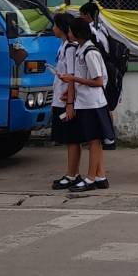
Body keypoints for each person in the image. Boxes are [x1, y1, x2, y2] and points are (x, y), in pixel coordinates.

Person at [56, 16, 113, 193]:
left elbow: (98, 81)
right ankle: (100, 177)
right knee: (92, 140)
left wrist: (73, 79)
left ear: (77, 33)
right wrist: (70, 92)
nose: (68, 33)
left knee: (94, 142)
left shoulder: (90, 52)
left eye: (70, 30)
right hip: (85, 103)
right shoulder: (81, 50)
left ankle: (90, 178)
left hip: (93, 104)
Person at [48, 11, 83, 191]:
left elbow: (72, 76)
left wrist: (69, 102)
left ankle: (72, 174)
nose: (53, 28)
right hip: (60, 98)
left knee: (72, 139)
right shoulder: (63, 47)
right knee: (70, 138)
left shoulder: (70, 48)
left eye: (55, 25)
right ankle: (72, 173)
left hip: (66, 101)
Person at [79, 1, 119, 151]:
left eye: (81, 15)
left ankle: (108, 138)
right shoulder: (102, 28)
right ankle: (109, 137)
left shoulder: (91, 31)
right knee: (106, 105)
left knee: (104, 105)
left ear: (87, 15)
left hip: (100, 71)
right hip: (107, 69)